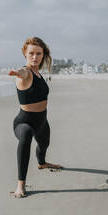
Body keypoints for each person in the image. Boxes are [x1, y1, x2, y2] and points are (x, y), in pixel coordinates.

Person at [8, 37, 63, 198]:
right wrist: (17, 73)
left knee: (44, 144)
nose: (35, 57)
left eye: (38, 53)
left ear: (43, 55)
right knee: (26, 135)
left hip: (42, 121)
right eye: (31, 53)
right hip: (24, 122)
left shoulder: (38, 73)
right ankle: (20, 185)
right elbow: (22, 73)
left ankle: (42, 163)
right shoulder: (26, 72)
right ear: (25, 53)